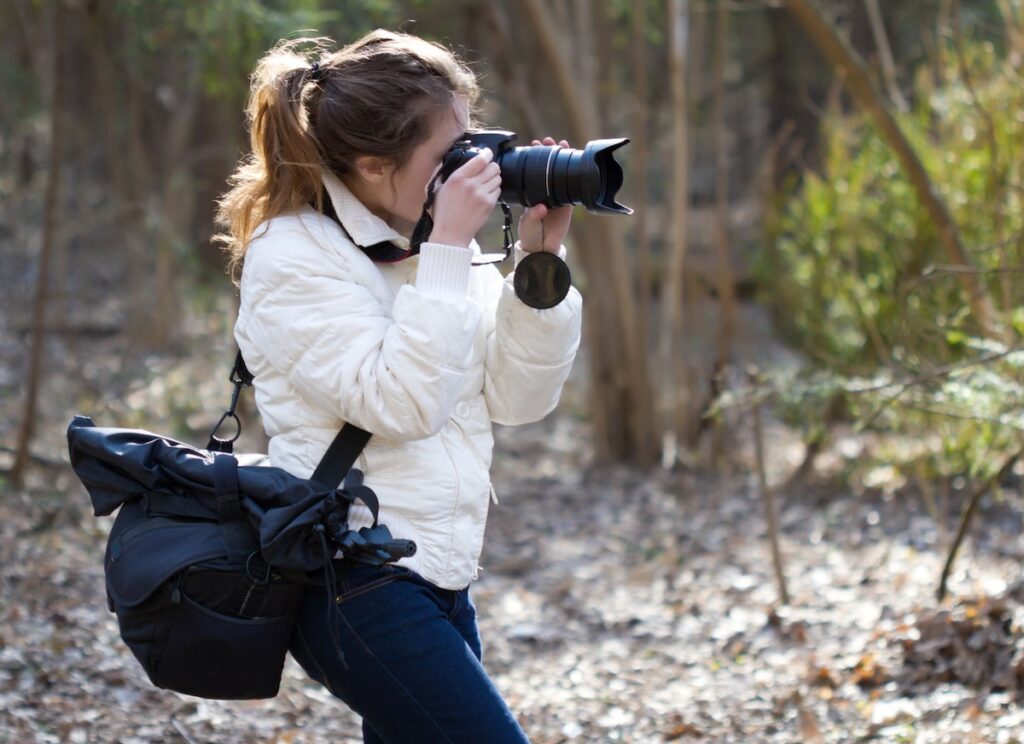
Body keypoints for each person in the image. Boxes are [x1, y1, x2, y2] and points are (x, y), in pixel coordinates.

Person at [216, 29, 582, 743]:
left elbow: (517, 401)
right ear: (373, 166)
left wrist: (540, 267)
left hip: (441, 570)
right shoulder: (293, 257)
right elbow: (404, 405)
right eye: (449, 156)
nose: (472, 169)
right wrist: (446, 247)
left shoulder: (436, 243)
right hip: (351, 578)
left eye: (472, 141)